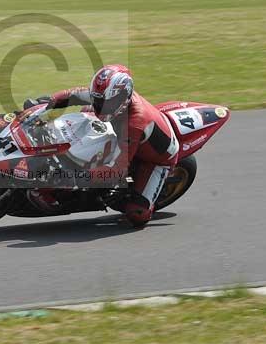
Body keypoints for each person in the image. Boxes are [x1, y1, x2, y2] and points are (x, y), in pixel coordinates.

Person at [24, 64, 179, 227]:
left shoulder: (135, 123)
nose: (99, 106)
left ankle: (138, 202)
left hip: (154, 160)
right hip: (120, 131)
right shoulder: (108, 97)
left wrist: (77, 177)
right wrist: (46, 103)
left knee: (137, 214)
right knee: (81, 117)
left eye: (105, 103)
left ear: (122, 99)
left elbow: (117, 170)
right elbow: (73, 95)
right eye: (97, 100)